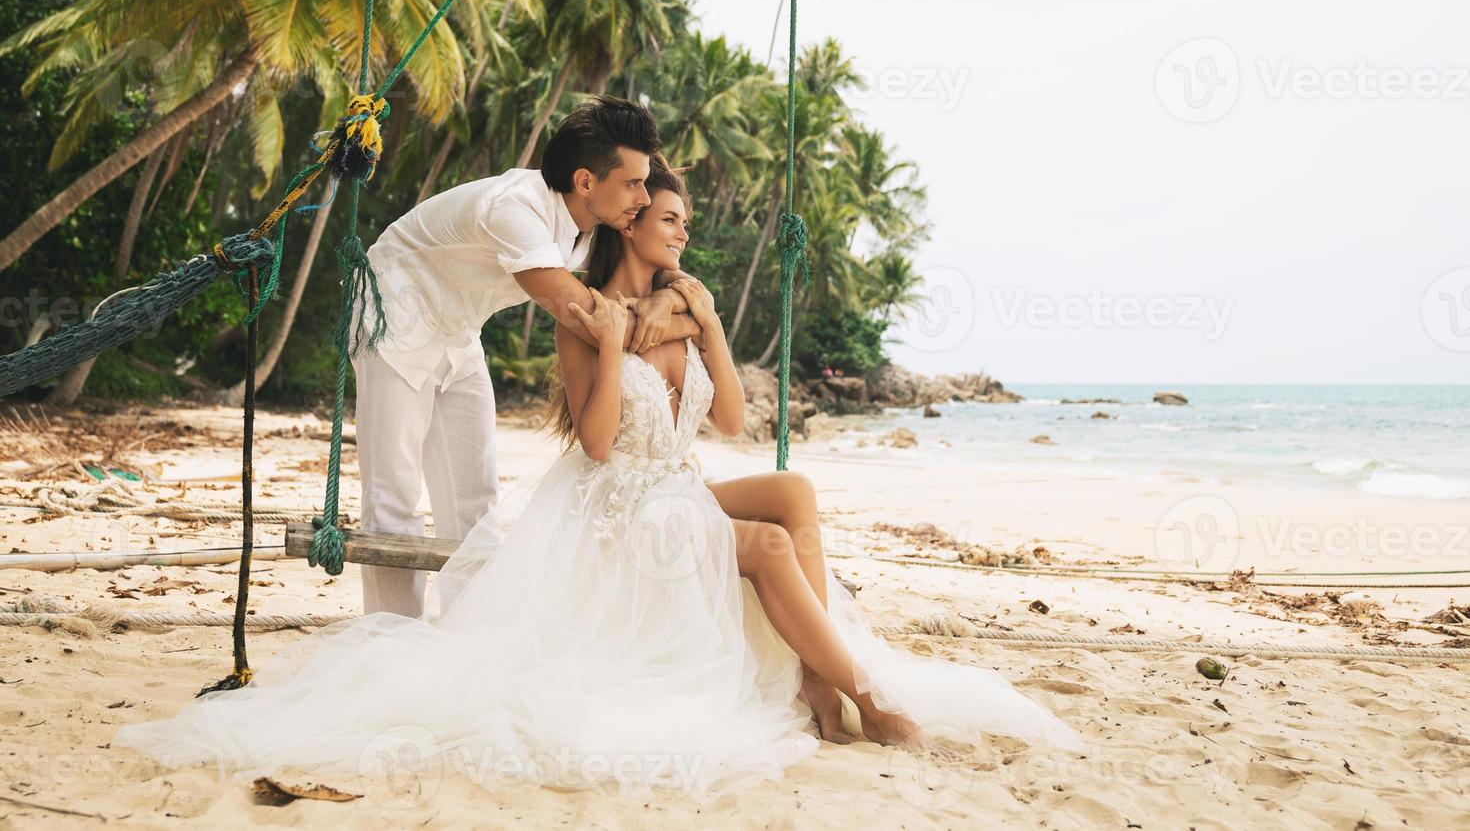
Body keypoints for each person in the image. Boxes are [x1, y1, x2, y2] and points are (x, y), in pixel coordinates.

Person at [115, 165, 1082, 801]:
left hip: (675, 491)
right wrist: (622, 345)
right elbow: (605, 445)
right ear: (629, 223)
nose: (681, 235)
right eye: (668, 219)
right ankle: (864, 696)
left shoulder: (682, 303)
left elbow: (735, 423)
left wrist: (706, 324)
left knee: (789, 492)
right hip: (618, 509)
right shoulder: (585, 316)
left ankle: (818, 693)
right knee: (770, 543)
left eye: (684, 224)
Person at [348, 95, 701, 618]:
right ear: (586, 182)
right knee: (393, 495)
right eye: (632, 183)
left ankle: (469, 631)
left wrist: (674, 300)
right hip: (393, 313)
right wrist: (699, 322)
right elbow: (595, 318)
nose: (643, 197)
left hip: (458, 330)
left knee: (474, 495)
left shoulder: (591, 223)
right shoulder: (515, 209)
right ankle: (390, 637)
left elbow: (661, 280)